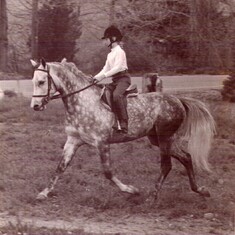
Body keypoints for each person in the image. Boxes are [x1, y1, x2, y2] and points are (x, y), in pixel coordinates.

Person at [93, 25, 131, 135]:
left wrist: (103, 76)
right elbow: (105, 68)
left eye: (106, 39)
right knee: (104, 93)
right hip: (115, 80)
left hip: (123, 79)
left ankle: (124, 123)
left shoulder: (120, 52)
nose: (104, 41)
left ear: (113, 39)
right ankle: (113, 121)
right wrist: (95, 78)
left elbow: (118, 68)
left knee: (116, 96)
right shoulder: (110, 54)